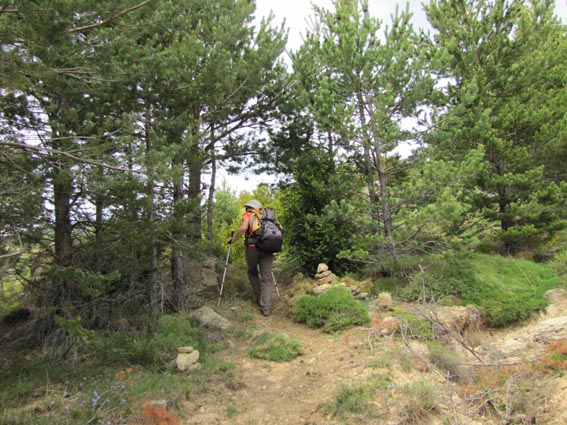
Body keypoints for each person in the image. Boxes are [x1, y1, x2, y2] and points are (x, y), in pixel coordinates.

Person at [227, 200, 274, 316]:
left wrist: (232, 240)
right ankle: (266, 307)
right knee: (267, 278)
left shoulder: (248, 215)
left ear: (249, 207)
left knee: (252, 272)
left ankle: (259, 299)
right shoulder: (267, 216)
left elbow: (243, 229)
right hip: (269, 248)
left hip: (253, 248)